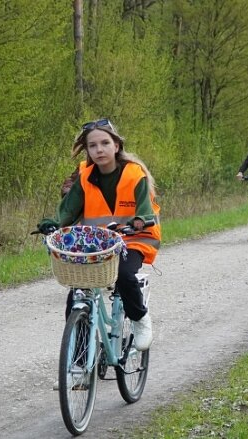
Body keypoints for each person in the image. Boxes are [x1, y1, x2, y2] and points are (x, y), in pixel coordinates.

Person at [38, 118, 161, 352]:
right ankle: (80, 361)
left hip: (134, 239)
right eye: (93, 146)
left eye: (105, 143)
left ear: (116, 146)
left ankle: (140, 319)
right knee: (76, 294)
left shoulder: (135, 174)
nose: (99, 149)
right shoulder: (84, 177)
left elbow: (145, 207)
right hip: (98, 243)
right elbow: (69, 209)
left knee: (124, 275)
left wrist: (140, 220)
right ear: (87, 151)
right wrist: (53, 224)